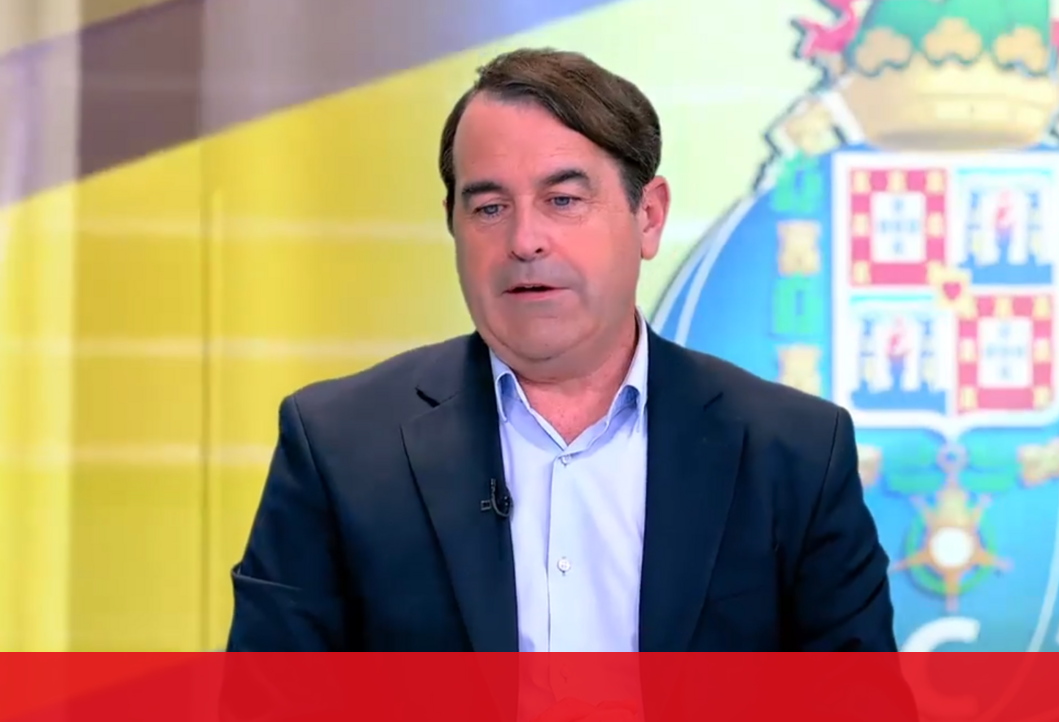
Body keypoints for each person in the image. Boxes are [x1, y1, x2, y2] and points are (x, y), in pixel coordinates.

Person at [226, 47, 900, 659]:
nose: (525, 240)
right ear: (453, 224)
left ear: (649, 216)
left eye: (563, 200)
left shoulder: (793, 455)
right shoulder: (340, 447)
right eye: (490, 208)